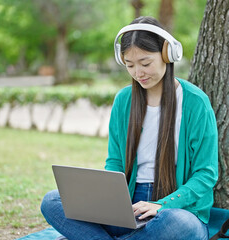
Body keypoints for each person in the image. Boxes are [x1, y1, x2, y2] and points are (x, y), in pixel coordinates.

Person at [41, 16, 218, 240]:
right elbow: (115, 161)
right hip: (128, 204)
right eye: (130, 65)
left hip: (175, 208)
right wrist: (108, 200)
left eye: (145, 63)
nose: (138, 73)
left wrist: (161, 205)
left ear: (168, 54)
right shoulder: (124, 100)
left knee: (181, 225)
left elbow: (206, 174)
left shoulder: (195, 102)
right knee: (52, 201)